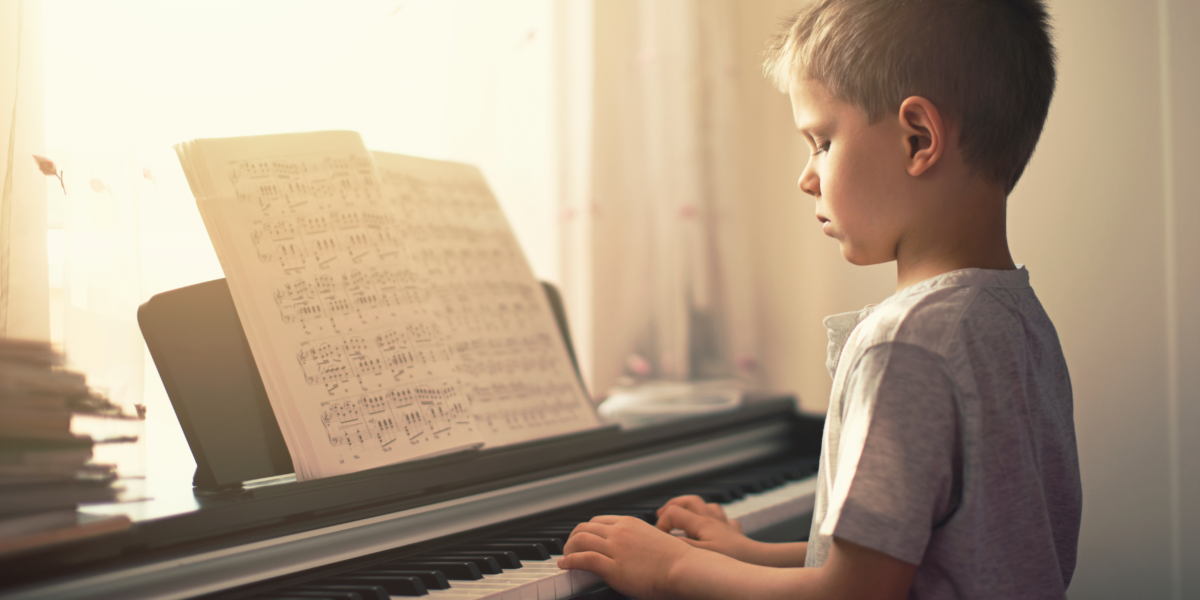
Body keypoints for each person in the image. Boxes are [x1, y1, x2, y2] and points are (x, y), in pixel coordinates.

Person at [558, 0, 1082, 598]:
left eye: (821, 141)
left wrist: (671, 568)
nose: (807, 176)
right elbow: (920, 552)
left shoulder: (906, 343)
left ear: (919, 139)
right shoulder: (1019, 320)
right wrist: (747, 553)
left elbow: (854, 593)